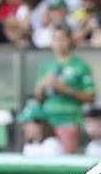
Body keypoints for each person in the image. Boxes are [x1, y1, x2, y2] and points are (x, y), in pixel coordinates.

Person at [34, 26, 96, 154]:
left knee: (67, 159)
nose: (58, 43)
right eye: (55, 39)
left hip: (69, 120)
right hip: (47, 122)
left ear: (70, 40)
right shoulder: (46, 66)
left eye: (62, 39)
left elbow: (91, 97)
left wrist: (66, 89)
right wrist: (43, 86)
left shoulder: (80, 66)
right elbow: (38, 97)